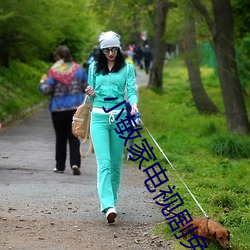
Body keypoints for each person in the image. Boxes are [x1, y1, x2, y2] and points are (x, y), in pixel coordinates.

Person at [85, 31, 138, 223]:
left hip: (120, 118)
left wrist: (133, 104)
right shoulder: (93, 68)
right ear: (101, 50)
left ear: (119, 48)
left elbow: (131, 90)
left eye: (114, 49)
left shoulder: (127, 68)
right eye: (106, 50)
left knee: (116, 164)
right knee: (104, 163)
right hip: (98, 118)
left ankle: (112, 201)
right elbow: (91, 96)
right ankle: (107, 205)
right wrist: (90, 92)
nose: (110, 53)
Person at [39, 45, 88, 175]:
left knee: (60, 138)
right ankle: (75, 163)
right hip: (75, 109)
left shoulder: (54, 71)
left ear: (58, 57)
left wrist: (42, 83)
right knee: (74, 137)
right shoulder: (79, 70)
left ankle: (60, 166)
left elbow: (47, 90)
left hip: (58, 109)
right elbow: (86, 87)